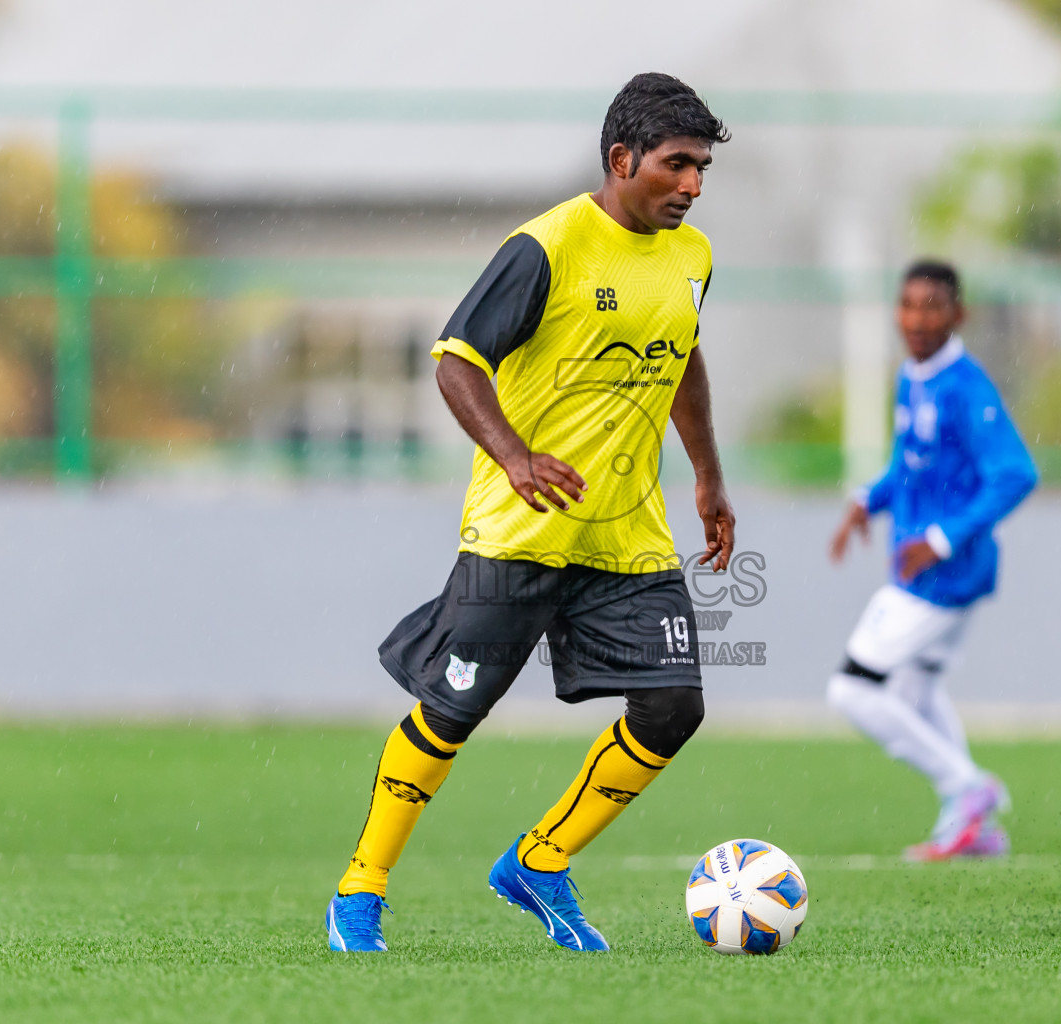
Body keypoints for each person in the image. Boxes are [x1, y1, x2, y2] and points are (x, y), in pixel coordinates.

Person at [324, 73, 734, 953]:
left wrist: (707, 476)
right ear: (622, 159)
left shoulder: (692, 256)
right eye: (677, 165)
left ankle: (540, 862)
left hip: (629, 536)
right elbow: (456, 361)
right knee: (452, 711)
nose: (693, 185)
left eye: (701, 168)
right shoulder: (545, 247)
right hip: (521, 533)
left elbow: (685, 358)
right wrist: (514, 458)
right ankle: (361, 888)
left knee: (673, 708)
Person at [826, 261, 1037, 861]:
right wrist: (868, 500)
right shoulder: (912, 377)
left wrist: (942, 538)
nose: (917, 320)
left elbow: (1015, 473)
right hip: (923, 568)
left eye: (932, 307)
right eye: (908, 305)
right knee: (916, 688)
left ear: (958, 314)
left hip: (943, 574)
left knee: (852, 690)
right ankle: (974, 829)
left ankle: (967, 787)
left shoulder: (966, 389)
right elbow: (910, 463)